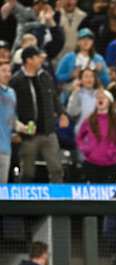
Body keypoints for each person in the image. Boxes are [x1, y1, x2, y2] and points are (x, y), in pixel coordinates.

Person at [10, 46, 68, 182]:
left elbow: (54, 96)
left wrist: (62, 113)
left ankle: (57, 200)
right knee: (28, 172)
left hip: (48, 131)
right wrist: (16, 130)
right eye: (37, 57)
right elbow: (12, 108)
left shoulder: (45, 76)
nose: (41, 59)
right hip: (28, 134)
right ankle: (24, 201)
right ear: (29, 60)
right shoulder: (17, 80)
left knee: (57, 169)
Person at [76, 89, 116, 183]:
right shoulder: (89, 120)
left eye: (103, 97)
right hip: (91, 164)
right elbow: (79, 137)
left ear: (109, 102)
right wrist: (87, 149)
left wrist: (113, 152)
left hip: (111, 165)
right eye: (98, 97)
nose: (100, 99)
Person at [66, 68, 101, 134]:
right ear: (80, 80)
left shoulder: (100, 94)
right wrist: (75, 92)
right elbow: (71, 113)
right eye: (86, 76)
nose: (89, 79)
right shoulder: (77, 94)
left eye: (91, 76)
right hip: (82, 133)